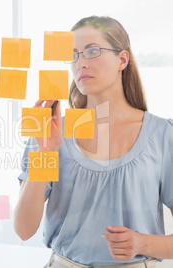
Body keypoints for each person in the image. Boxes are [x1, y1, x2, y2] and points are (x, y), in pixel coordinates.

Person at [14, 16, 173, 267]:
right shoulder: (51, 131)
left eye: (92, 51)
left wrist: (143, 243)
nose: (81, 64)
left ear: (122, 59)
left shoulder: (163, 135)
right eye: (74, 55)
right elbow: (23, 229)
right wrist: (46, 152)